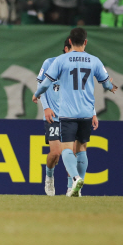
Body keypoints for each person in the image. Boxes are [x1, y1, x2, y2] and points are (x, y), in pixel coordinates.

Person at [33, 27, 118, 197]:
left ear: (70, 42)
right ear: (86, 42)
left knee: (66, 150)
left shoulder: (62, 61)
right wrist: (112, 87)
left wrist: (36, 94)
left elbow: (43, 85)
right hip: (79, 113)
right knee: (78, 150)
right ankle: (65, 182)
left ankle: (74, 181)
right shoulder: (93, 60)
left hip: (67, 113)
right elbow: (106, 84)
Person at [36, 38, 71, 196]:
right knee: (56, 153)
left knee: (72, 153)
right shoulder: (49, 63)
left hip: (71, 116)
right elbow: (40, 85)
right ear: (65, 48)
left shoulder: (77, 67)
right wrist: (46, 107)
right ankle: (49, 177)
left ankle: (71, 188)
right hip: (53, 117)